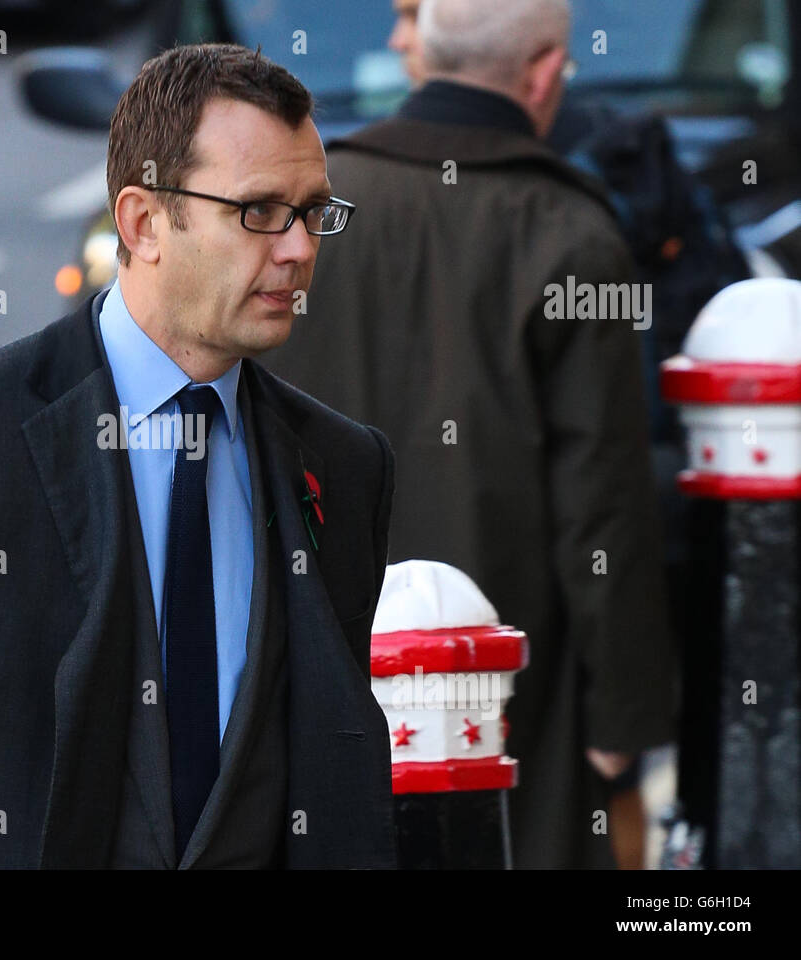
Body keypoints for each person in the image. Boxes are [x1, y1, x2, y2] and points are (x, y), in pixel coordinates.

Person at [0, 43, 398, 869]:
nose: (300, 248)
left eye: (314, 211)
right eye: (260, 211)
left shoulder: (344, 469)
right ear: (142, 222)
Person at [266, 0, 677, 868]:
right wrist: (623, 717)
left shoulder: (315, 214)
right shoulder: (569, 231)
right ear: (542, 75)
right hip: (510, 688)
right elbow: (602, 501)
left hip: (322, 661)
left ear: (420, 52)